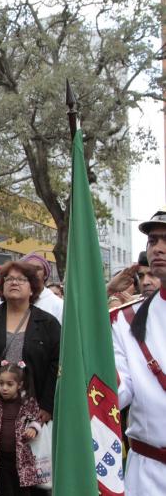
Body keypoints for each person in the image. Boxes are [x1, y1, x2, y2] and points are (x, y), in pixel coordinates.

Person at [111, 208, 166, 495]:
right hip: (147, 474)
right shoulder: (126, 319)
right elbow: (117, 391)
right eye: (153, 241)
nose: (158, 248)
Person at [0, 261, 60, 425]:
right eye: (9, 279)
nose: (14, 282)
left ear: (32, 288)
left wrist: (47, 406)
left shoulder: (47, 323)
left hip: (34, 412)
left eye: (21, 279)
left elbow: (56, 365)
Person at [0, 362, 43, 496]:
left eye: (9, 384)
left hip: (22, 460)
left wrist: (33, 428)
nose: (4, 388)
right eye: (1, 384)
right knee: (4, 491)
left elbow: (38, 418)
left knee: (23, 493)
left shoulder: (27, 403)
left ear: (19, 385)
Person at [19, 253, 62, 323]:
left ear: (45, 275)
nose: (33, 271)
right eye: (29, 268)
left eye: (38, 268)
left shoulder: (58, 304)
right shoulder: (11, 299)